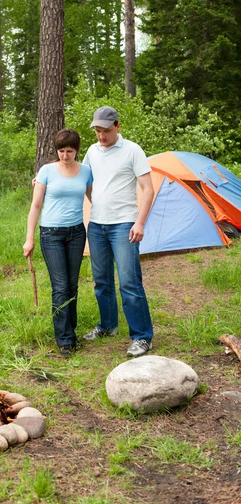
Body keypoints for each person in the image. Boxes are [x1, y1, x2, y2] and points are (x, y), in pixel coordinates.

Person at [83, 106, 154, 357]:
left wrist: (140, 222)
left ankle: (142, 337)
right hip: (97, 225)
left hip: (125, 224)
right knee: (101, 281)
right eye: (97, 131)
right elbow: (83, 180)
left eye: (106, 130)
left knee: (129, 282)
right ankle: (107, 325)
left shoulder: (132, 150)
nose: (101, 136)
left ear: (117, 127)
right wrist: (43, 178)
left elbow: (148, 189)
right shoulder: (91, 151)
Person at [23, 129, 93, 357]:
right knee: (61, 286)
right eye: (61, 151)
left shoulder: (86, 172)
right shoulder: (47, 171)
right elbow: (35, 206)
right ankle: (63, 340)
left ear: (77, 150)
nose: (65, 155)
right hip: (51, 234)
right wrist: (29, 238)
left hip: (76, 233)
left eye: (69, 151)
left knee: (73, 286)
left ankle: (71, 334)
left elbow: (94, 200)